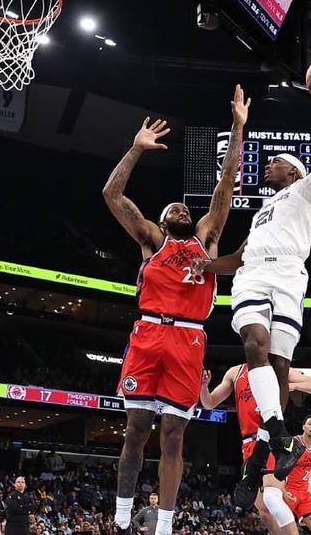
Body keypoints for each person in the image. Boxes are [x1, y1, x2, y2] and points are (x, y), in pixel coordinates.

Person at [193, 61, 311, 505]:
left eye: (277, 162)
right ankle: (282, 436)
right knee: (254, 344)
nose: (268, 165)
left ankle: (258, 463)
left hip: (290, 276)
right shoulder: (262, 213)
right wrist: (207, 266)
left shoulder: (307, 191)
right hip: (254, 274)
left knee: (280, 368)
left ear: (294, 172)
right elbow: (237, 257)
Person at [102, 85, 251, 535]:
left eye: (186, 207)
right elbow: (112, 194)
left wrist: (238, 128)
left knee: (173, 436)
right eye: (175, 208)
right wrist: (135, 148)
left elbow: (225, 183)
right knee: (135, 430)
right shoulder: (151, 239)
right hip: (149, 333)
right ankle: (122, 516)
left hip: (188, 337)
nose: (183, 209)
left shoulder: (206, 238)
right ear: (163, 220)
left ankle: (165, 525)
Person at [200, 366, 311, 535]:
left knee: (272, 498)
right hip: (249, 443)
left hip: (270, 438)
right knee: (264, 511)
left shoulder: (278, 367)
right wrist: (203, 386)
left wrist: (291, 386)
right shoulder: (235, 373)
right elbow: (208, 403)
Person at [276, 415, 311, 535]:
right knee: (282, 531)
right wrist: (281, 490)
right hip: (288, 491)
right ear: (303, 427)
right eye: (310, 424)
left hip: (304, 494)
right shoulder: (292, 443)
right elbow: (278, 469)